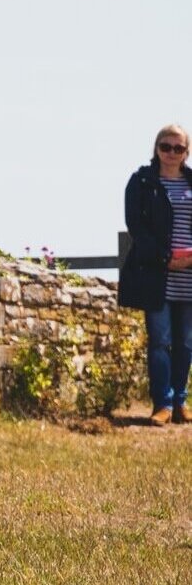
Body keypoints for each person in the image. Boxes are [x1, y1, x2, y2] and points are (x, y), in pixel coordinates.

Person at [122, 124, 192, 424]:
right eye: (166, 147)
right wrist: (165, 259)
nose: (172, 153)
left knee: (186, 343)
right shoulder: (142, 182)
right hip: (156, 274)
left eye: (178, 148)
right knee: (160, 341)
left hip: (189, 274)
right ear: (157, 148)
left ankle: (180, 402)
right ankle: (162, 404)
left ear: (186, 152)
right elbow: (136, 225)